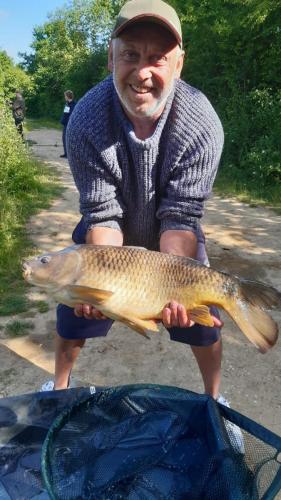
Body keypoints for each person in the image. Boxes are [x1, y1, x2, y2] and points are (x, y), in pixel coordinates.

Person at [41, 0, 233, 419]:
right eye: (130, 54)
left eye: (157, 59)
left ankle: (216, 402)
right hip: (110, 232)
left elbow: (181, 217)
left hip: (172, 232)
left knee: (203, 322)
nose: (142, 72)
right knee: (75, 308)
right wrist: (98, 287)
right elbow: (102, 213)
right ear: (111, 57)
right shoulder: (86, 119)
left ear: (178, 65)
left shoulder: (202, 122)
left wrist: (173, 285)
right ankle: (57, 391)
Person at [60, 90, 76, 158]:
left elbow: (71, 115)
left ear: (68, 96)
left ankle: (69, 154)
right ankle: (66, 153)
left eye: (65, 96)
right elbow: (65, 114)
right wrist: (62, 121)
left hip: (69, 125)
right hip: (65, 124)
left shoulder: (73, 104)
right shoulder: (67, 104)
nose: (65, 97)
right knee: (64, 139)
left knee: (69, 139)